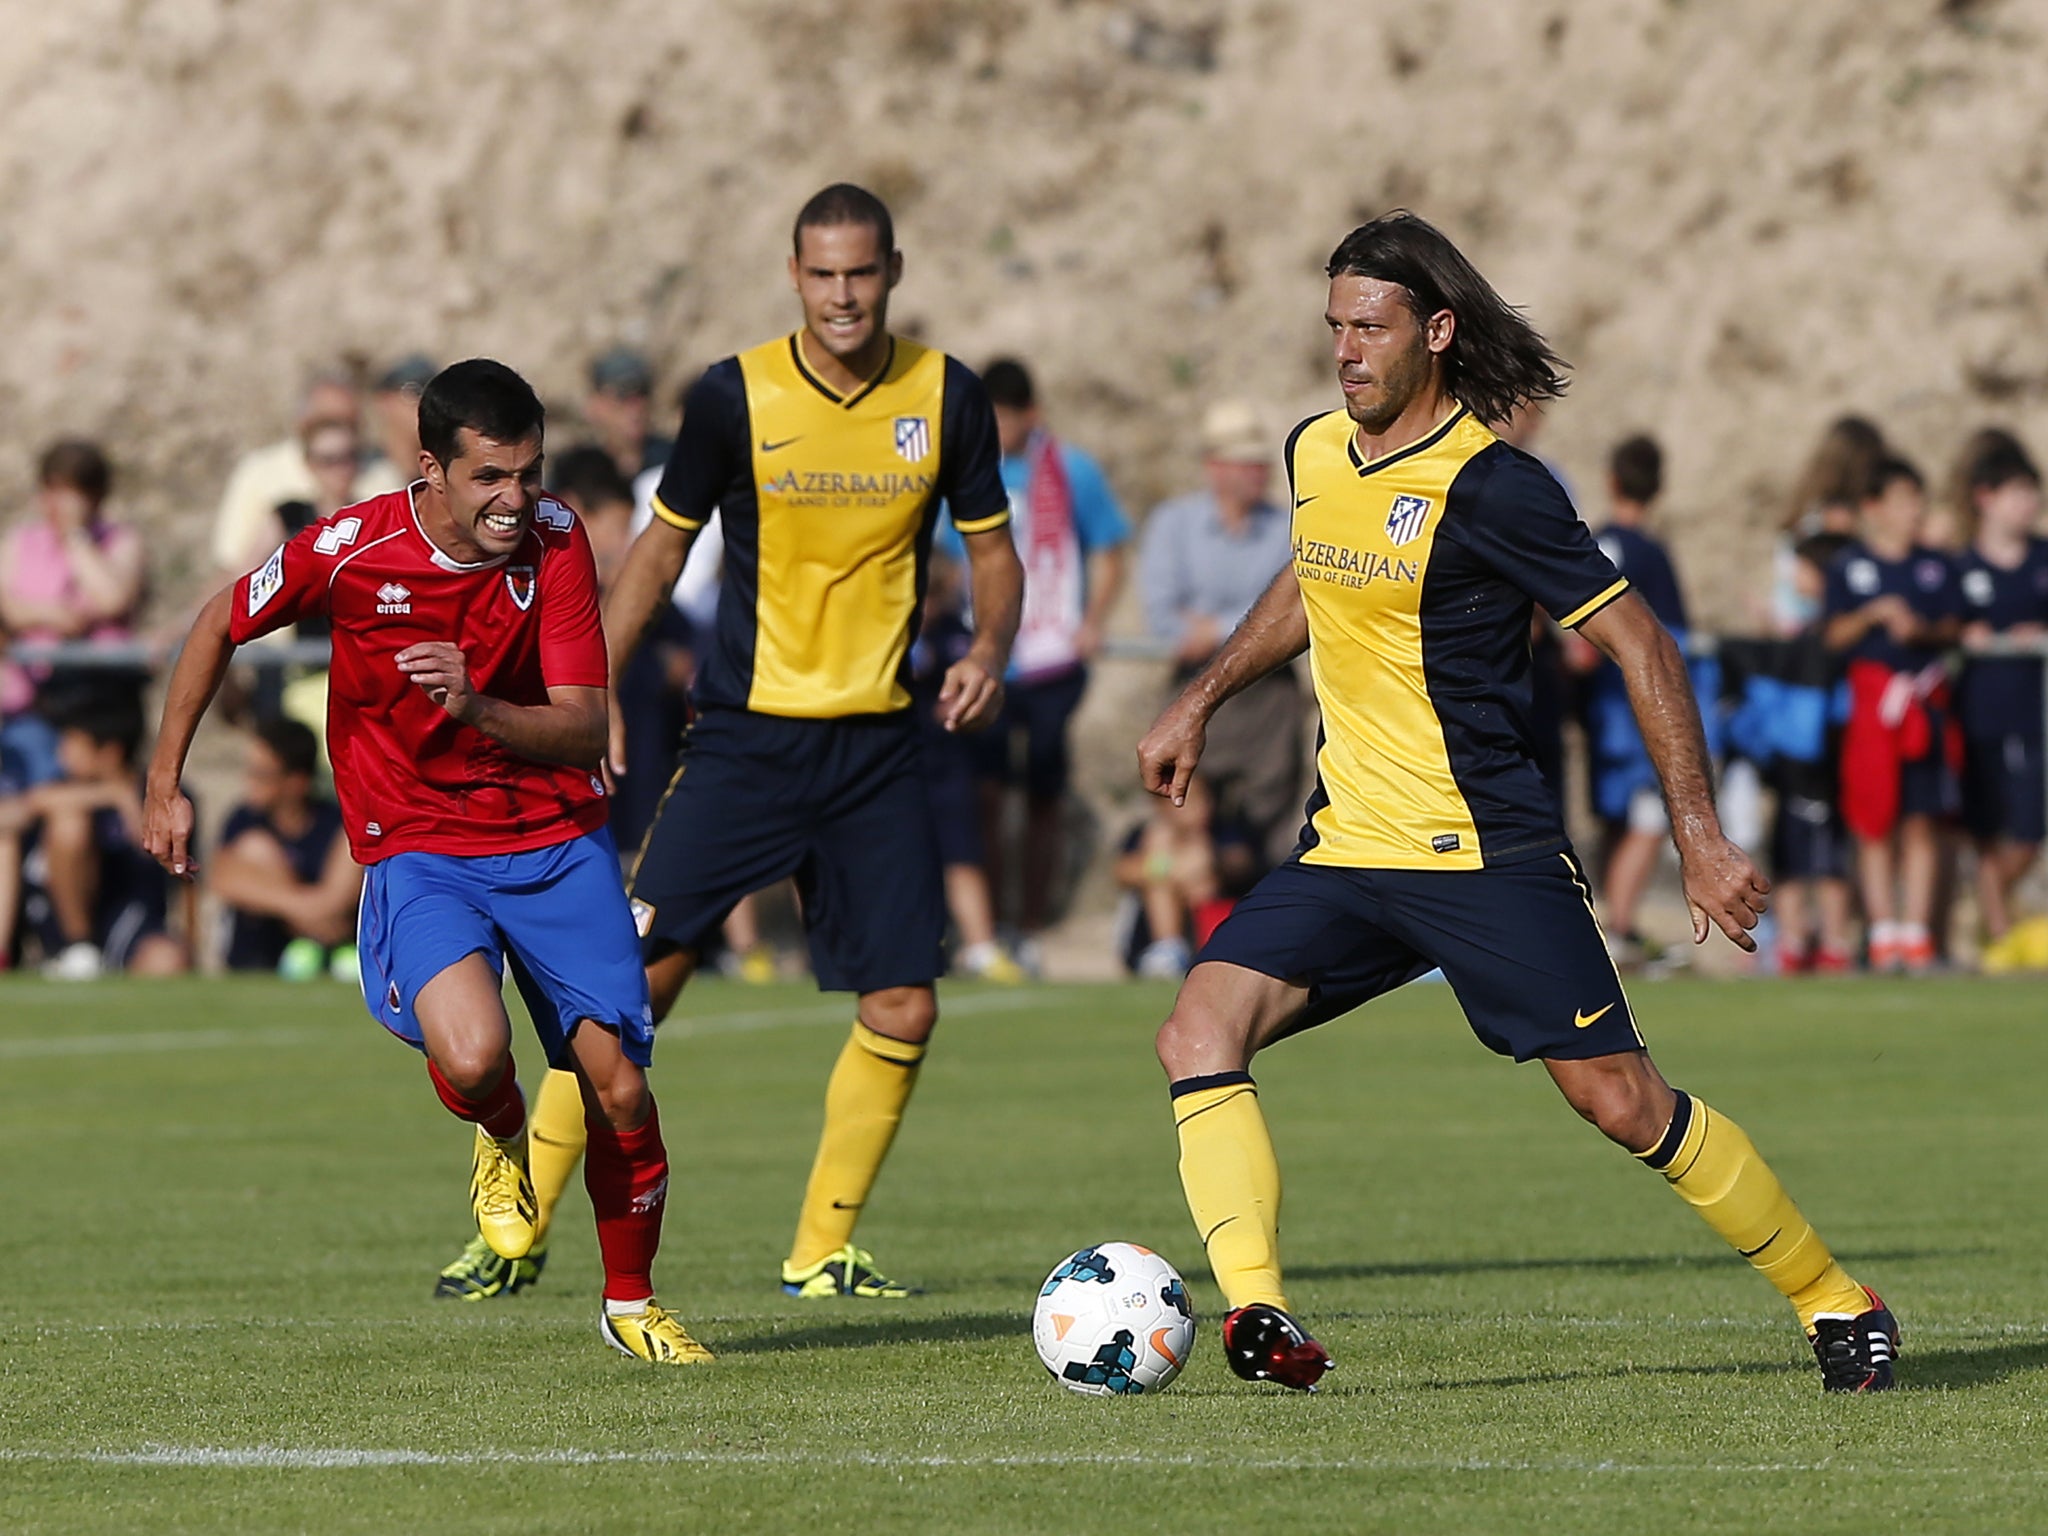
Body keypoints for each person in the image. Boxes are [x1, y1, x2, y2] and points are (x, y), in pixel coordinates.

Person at [1135, 211, 1897, 1395]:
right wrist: (1201, 698)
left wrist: (1696, 835)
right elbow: (1311, 577)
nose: (1345, 350)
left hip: (1481, 852)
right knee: (1195, 1029)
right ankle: (1261, 1317)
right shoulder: (1314, 452)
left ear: (1434, 332)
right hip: (1348, 850)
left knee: (1621, 1101)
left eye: (1370, 327)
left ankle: (1832, 1298)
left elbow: (1639, 640)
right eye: (1333, 325)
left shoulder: (1496, 489)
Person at [433, 184, 1024, 1306]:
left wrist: (989, 643)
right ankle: (514, 1236)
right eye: (821, 274)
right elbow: (657, 550)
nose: (841, 295)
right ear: (793, 275)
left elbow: (992, 551)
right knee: (627, 986)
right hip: (746, 740)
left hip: (876, 748)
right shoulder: (732, 396)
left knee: (902, 1004)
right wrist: (589, 686)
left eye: (860, 273)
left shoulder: (943, 396)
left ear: (891, 269)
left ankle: (820, 1251)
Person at [142, 359, 707, 1365]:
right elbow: (220, 620)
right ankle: (499, 1138)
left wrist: (474, 704)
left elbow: (584, 731)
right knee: (476, 1055)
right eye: (489, 477)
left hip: (553, 836)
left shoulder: (559, 542)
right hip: (420, 843)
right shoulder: (351, 550)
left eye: (526, 472)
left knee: (619, 1091)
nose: (514, 499)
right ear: (430, 468)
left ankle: (631, 1306)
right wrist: (165, 780)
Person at [969, 357, 1129, 961]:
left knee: (1041, 793)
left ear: (1029, 415)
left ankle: (1031, 925)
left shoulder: (1070, 470)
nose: (995, 428)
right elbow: (937, 552)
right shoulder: (967, 466)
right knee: (983, 795)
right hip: (985, 657)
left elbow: (1111, 549)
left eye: (1003, 417)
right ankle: (988, 923)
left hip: (1052, 658)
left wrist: (1094, 621)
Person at [1138, 399, 1304, 871]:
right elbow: (1163, 612)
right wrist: (1244, 621)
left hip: (1267, 698)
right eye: (1246, 462)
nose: (1259, 472)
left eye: (1260, 463)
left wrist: (1211, 625)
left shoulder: (1285, 527)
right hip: (1193, 687)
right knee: (1186, 810)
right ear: (1216, 466)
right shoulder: (1174, 523)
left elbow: (1292, 605)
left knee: (1267, 822)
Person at [1823, 456, 1962, 973]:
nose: (1913, 511)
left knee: (1921, 820)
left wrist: (1920, 632)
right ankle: (1882, 933)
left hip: (1921, 705)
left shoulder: (1934, 565)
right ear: (1873, 508)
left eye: (1918, 500)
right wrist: (1872, 615)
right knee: (1872, 819)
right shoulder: (1851, 566)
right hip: (1870, 710)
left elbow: (1955, 626)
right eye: (1903, 501)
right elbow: (1832, 635)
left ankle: (1916, 932)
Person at [1582, 434, 1693, 967]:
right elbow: (1666, 640)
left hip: (1602, 702)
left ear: (1612, 481)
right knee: (1650, 812)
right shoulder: (1649, 551)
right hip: (1636, 704)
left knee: (1616, 817)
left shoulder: (1596, 540)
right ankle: (1619, 925)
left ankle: (1610, 917)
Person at [8, 692, 189, 979]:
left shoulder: (161, 798)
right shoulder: (64, 790)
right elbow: (22, 807)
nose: (61, 752)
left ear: (109, 752)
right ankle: (77, 948)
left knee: (167, 961)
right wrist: (111, 795)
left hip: (131, 920)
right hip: (62, 926)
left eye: (72, 742)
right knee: (70, 822)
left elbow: (188, 877)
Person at [0, 439, 147, 789]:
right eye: (50, 490)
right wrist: (48, 614)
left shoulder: (120, 541)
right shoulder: (21, 542)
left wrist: (76, 538)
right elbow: (6, 605)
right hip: (34, 702)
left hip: (100, 706)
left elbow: (112, 598)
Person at [1952, 437, 2048, 968]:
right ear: (1985, 497)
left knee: (2029, 834)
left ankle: (1991, 915)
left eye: (2033, 493)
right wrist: (1962, 632)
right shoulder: (1960, 567)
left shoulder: (2041, 560)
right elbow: (1935, 626)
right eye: (2018, 492)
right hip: (1979, 715)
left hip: (2034, 718)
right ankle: (1997, 933)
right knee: (1985, 830)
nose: (2029, 504)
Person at [209, 367, 396, 576]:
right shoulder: (265, 481)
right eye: (329, 460)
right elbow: (237, 568)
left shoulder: (384, 474)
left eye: (347, 422)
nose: (340, 469)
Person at [211, 717, 360, 977]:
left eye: (262, 775)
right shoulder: (244, 820)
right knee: (258, 848)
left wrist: (312, 908)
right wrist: (305, 911)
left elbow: (340, 896)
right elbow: (223, 878)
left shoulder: (335, 822)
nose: (250, 783)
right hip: (258, 957)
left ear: (296, 782)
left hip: (333, 956)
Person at [582, 346, 671, 481]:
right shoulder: (582, 471)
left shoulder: (675, 459)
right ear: (596, 404)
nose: (635, 408)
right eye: (621, 396)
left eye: (643, 393)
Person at [364, 353, 436, 485]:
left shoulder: (443, 475)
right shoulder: (362, 477)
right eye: (415, 391)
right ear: (384, 400)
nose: (426, 402)